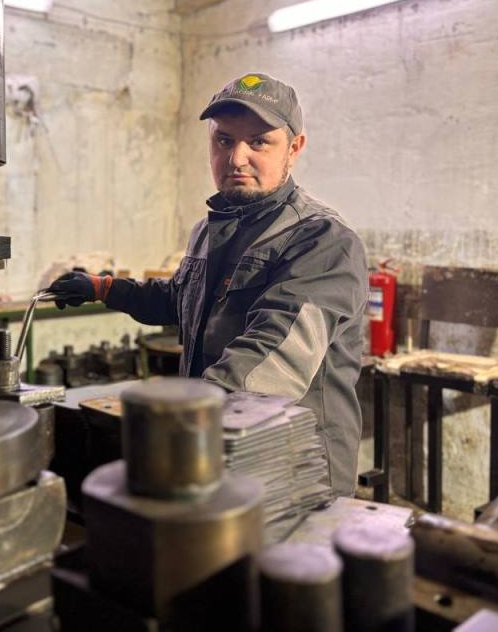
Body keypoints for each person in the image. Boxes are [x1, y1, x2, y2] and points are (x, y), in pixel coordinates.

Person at [48, 73, 368, 495]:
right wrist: (103, 288)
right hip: (218, 449)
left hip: (294, 468)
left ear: (294, 149)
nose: (236, 158)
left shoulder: (322, 239)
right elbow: (180, 300)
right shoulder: (211, 230)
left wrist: (183, 420)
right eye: (223, 140)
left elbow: (273, 356)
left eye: (259, 142)